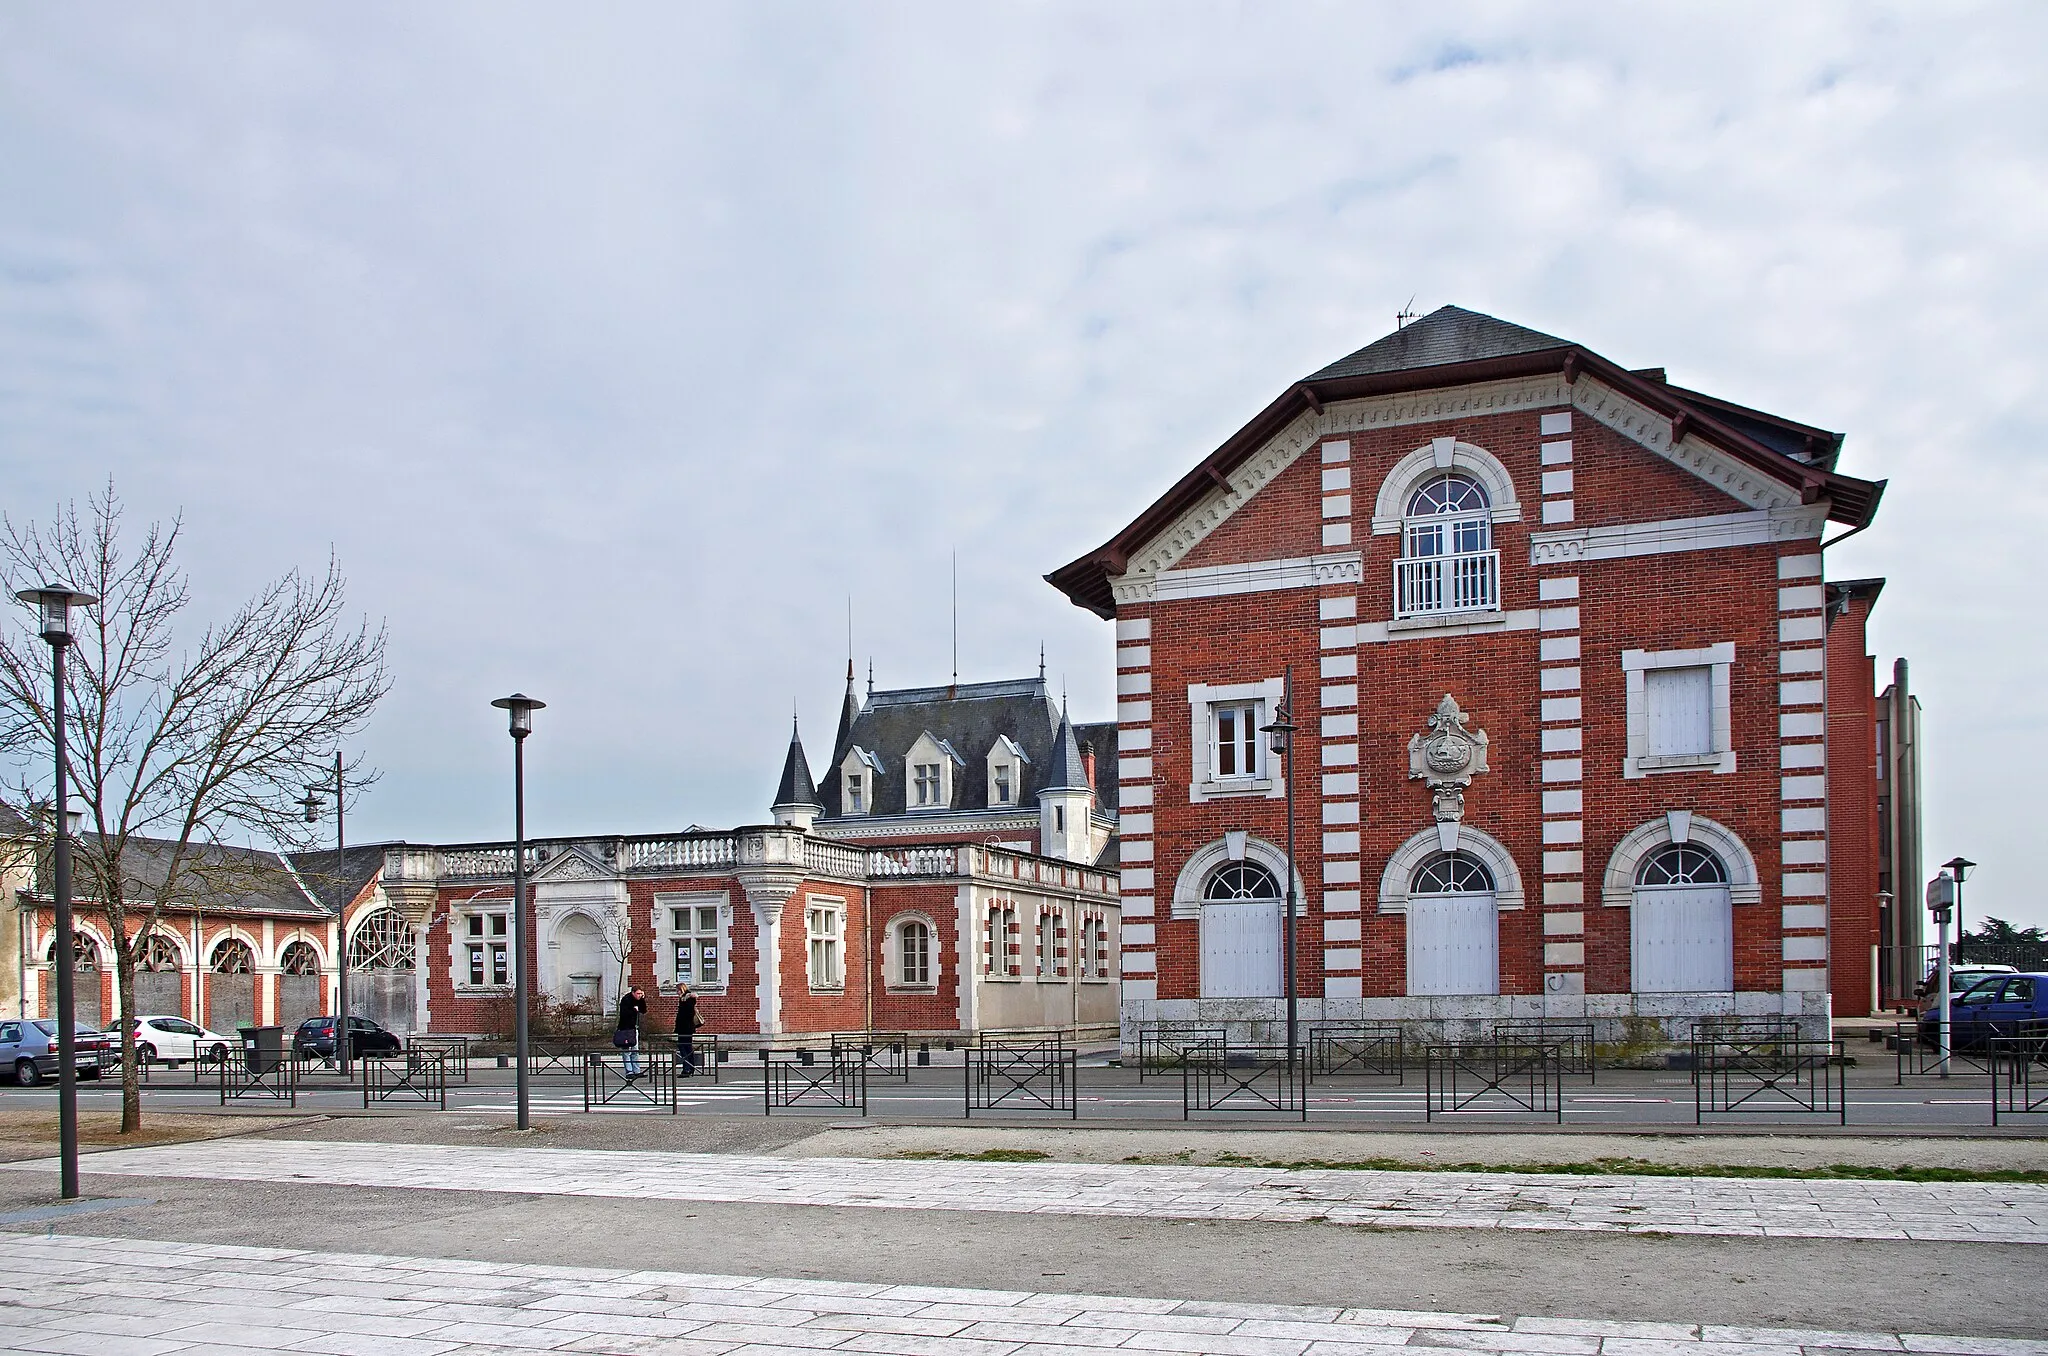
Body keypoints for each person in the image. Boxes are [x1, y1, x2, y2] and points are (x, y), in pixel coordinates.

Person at [615, 986, 648, 1078]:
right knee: (626, 1051)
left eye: (641, 994)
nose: (639, 995)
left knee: (635, 1050)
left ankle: (636, 1070)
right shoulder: (626, 1000)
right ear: (633, 992)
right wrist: (634, 1010)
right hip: (625, 1028)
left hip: (634, 1028)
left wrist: (642, 1000)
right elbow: (624, 1014)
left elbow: (644, 1010)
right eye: (638, 994)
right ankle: (629, 1071)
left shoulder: (639, 1000)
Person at [675, 983, 700, 1076]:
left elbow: (688, 1013)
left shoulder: (688, 999)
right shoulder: (683, 999)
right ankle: (689, 1067)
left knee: (684, 1047)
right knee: (686, 1047)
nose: (677, 993)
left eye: (677, 990)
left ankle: (687, 1068)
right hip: (684, 1027)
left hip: (686, 1027)